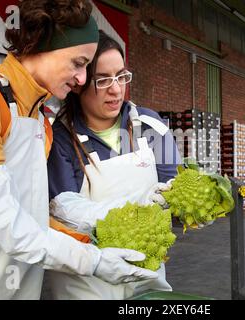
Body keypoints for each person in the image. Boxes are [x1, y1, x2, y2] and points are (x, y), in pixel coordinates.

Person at [0, 0, 157, 300]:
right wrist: (91, 261)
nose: (82, 79)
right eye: (78, 63)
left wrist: (97, 242)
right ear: (39, 44)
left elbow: (34, 218)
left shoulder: (38, 122)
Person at [46, 30, 182, 299]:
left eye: (121, 75)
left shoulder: (150, 125)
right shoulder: (60, 139)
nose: (116, 89)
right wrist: (136, 217)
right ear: (80, 82)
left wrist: (188, 204)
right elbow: (61, 210)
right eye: (103, 79)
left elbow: (174, 188)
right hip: (86, 283)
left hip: (147, 277)